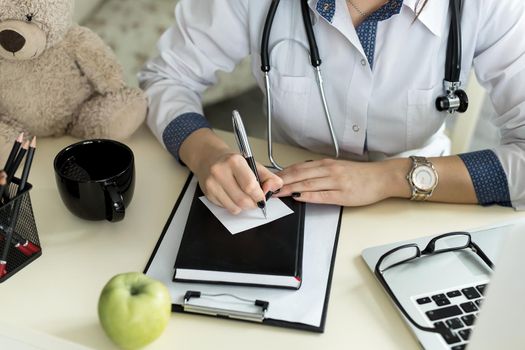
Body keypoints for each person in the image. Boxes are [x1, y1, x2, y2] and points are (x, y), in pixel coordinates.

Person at [139, 0, 525, 214]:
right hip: (285, 191)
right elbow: (167, 78)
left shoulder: (492, 7)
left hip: (423, 201)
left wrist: (389, 178)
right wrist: (207, 154)